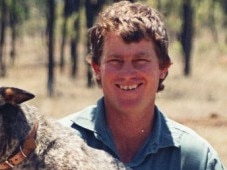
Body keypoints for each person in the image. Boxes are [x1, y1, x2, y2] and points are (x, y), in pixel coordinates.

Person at [59, 1, 225, 169]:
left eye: (140, 60)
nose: (127, 74)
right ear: (96, 69)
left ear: (163, 68)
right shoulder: (59, 144)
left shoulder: (194, 158)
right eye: (115, 61)